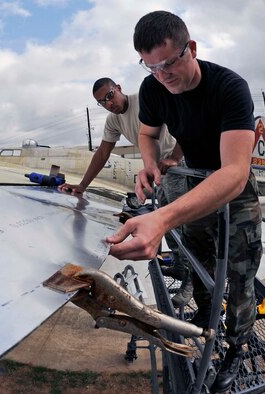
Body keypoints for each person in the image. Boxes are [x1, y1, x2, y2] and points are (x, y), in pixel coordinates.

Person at [106, 11, 262, 393]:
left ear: (190, 49)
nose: (162, 75)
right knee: (200, 263)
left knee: (240, 277)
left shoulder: (229, 87)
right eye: (151, 67)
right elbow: (147, 133)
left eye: (169, 63)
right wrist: (148, 165)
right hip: (195, 183)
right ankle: (210, 323)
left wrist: (162, 219)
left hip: (234, 190)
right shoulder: (155, 88)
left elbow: (234, 172)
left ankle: (237, 346)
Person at [58, 78, 192, 306]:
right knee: (167, 223)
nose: (109, 103)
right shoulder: (113, 121)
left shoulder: (144, 100)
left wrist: (175, 157)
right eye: (102, 102)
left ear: (119, 88)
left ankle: (192, 280)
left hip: (179, 166)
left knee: (185, 225)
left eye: (110, 96)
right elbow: (102, 153)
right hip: (158, 171)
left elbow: (184, 123)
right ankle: (180, 266)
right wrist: (82, 186)